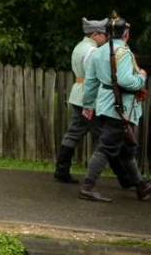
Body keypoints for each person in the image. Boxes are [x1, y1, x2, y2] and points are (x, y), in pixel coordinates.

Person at [78, 16, 151, 202]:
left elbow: (91, 83)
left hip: (105, 106)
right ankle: (87, 187)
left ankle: (141, 186)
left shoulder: (98, 52)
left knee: (126, 149)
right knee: (105, 148)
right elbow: (127, 81)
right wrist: (141, 77)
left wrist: (88, 104)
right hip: (120, 109)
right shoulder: (124, 53)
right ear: (126, 34)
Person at [53, 18, 129, 184]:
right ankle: (125, 177)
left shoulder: (79, 47)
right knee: (106, 137)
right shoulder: (92, 52)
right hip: (89, 98)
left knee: (73, 133)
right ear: (95, 34)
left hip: (77, 94)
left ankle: (61, 170)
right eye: (103, 34)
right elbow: (94, 78)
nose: (106, 38)